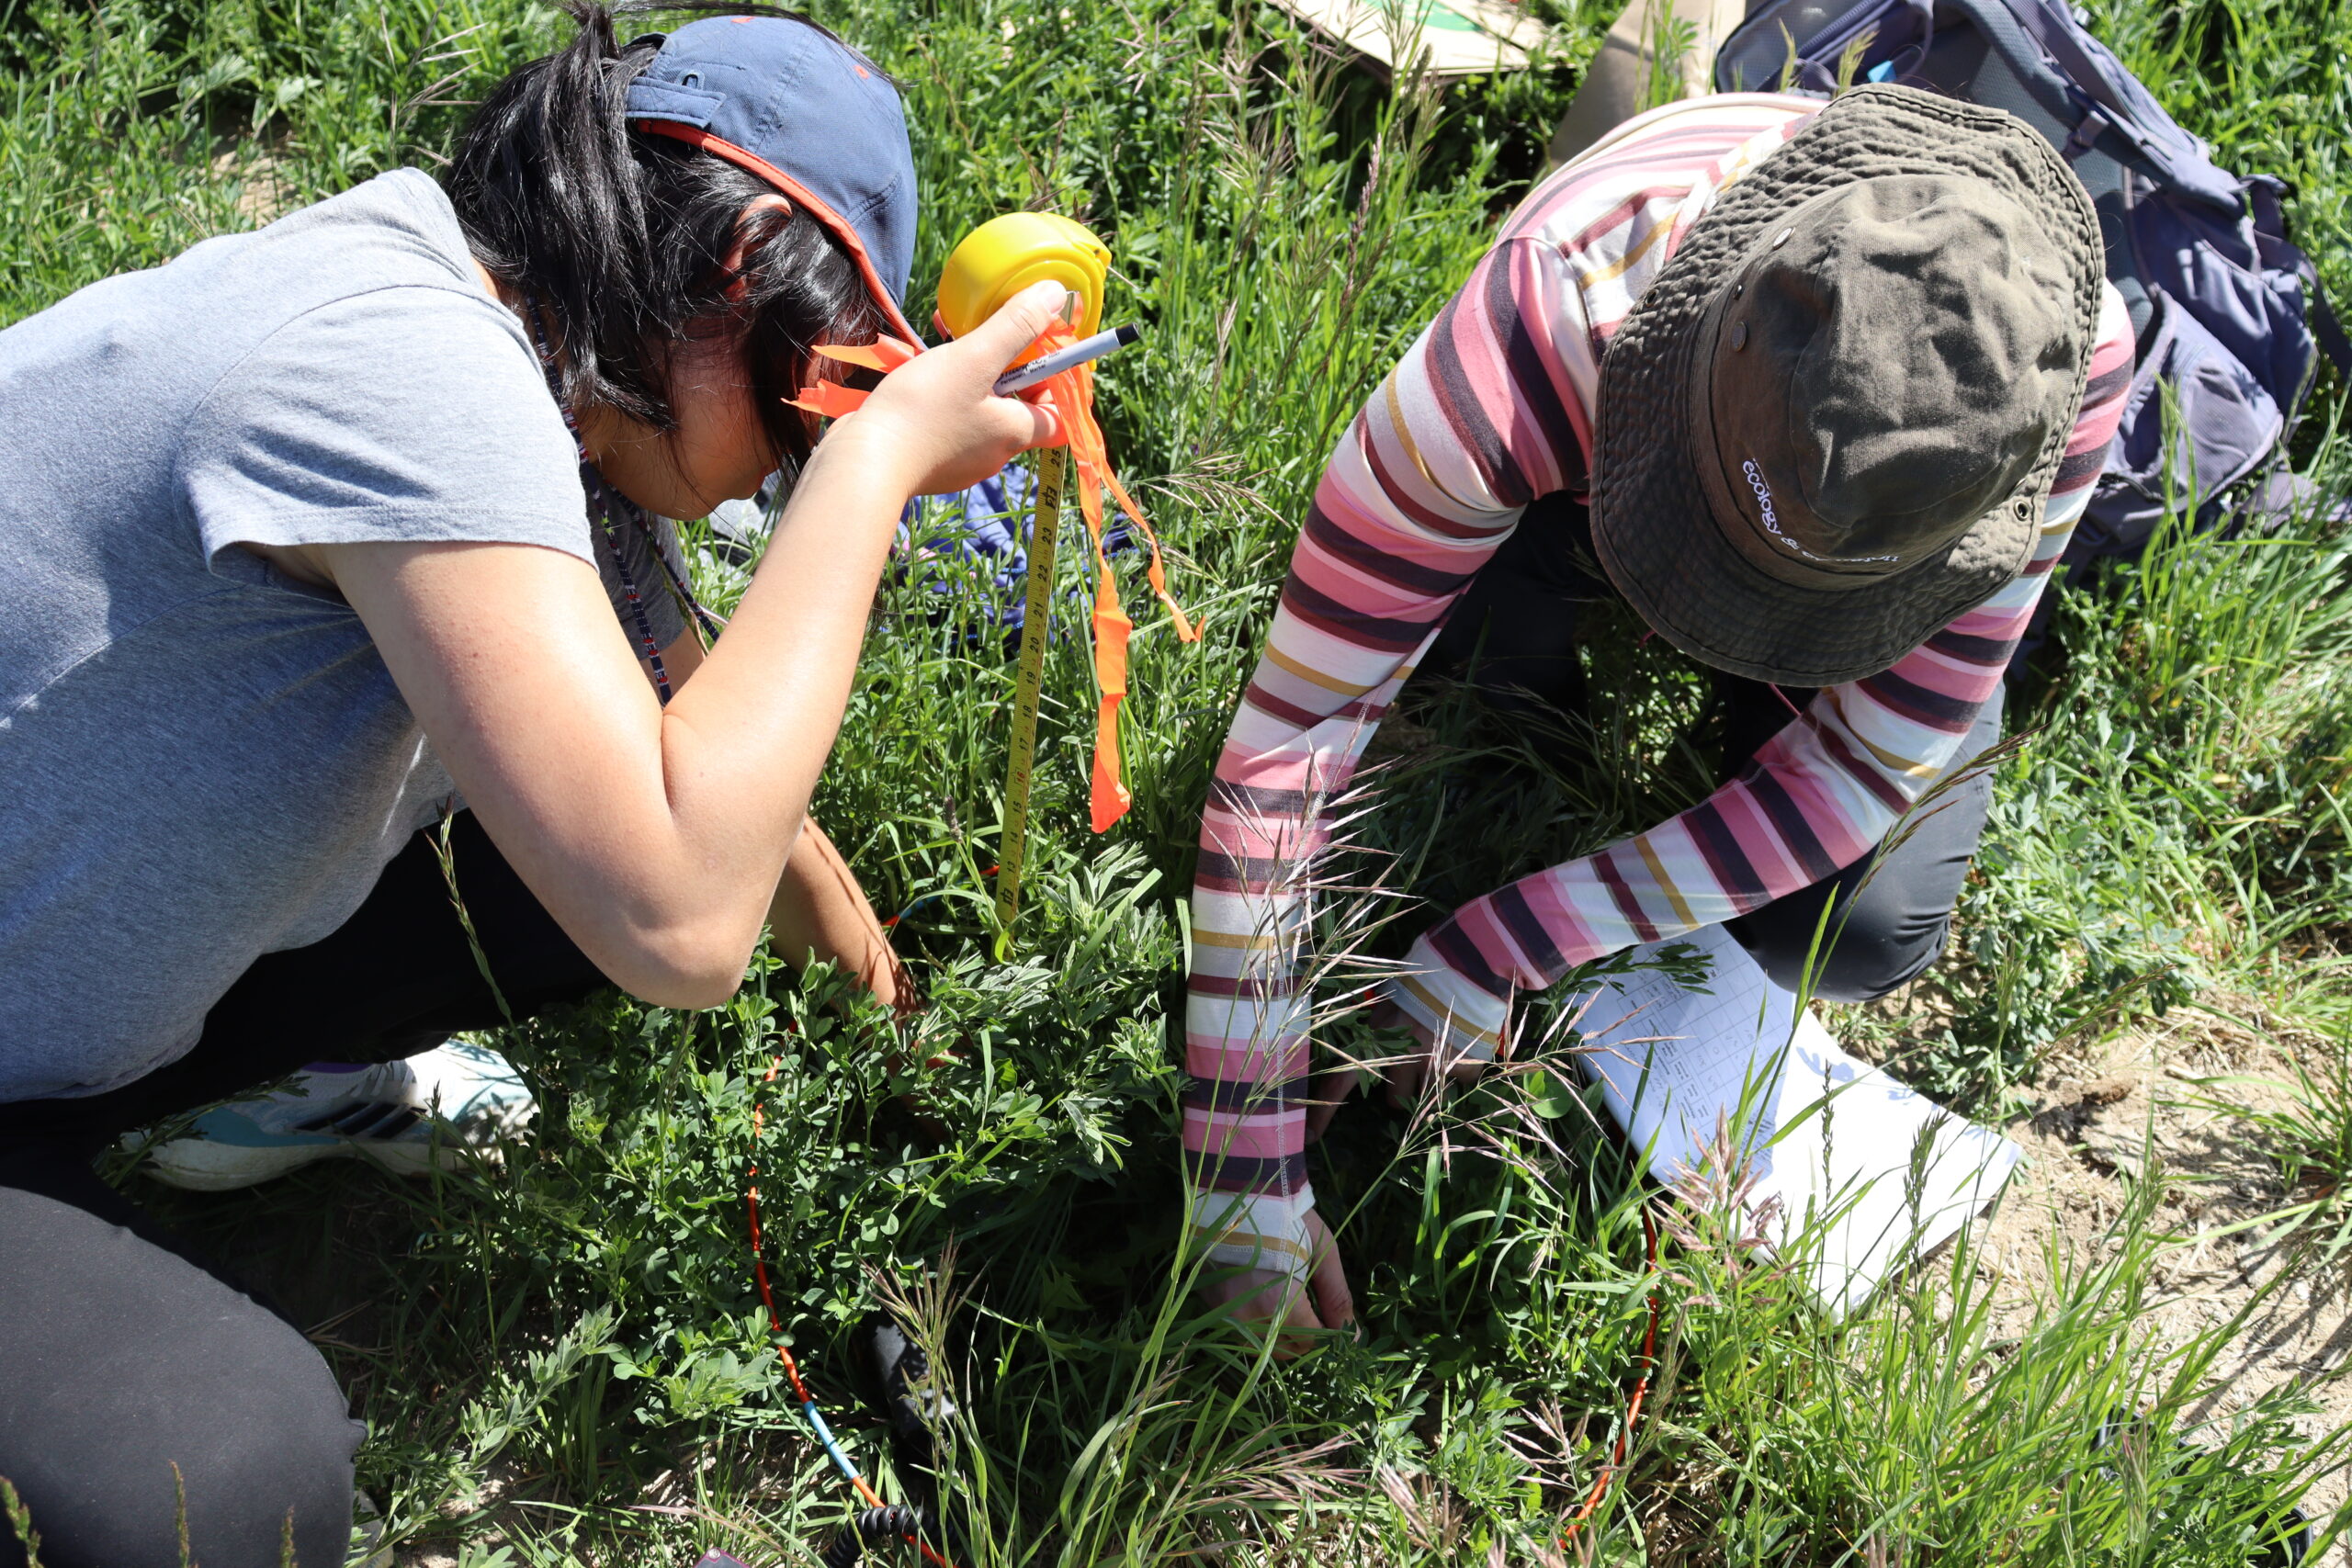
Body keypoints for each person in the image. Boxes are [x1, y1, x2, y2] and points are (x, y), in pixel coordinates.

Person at [0, 6, 1070, 1562]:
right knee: (228, 1476)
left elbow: (722, 768)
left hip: (53, 968)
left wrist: (903, 1025)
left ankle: (257, 1085)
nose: (770, 470)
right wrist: (874, 468)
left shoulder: (474, 318)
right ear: (735, 258)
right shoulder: (408, 372)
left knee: (589, 818)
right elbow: (682, 914)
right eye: (804, 400)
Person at [1181, 83, 2137, 1330]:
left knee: (1856, 927)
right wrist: (1237, 1178)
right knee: (1489, 707)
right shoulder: (1541, 321)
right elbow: (1289, 747)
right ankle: (1579, 584)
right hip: (1577, 462)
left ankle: (1765, 601)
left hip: (1860, 551)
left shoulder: (2057, 372)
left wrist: (1502, 945)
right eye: (1708, 551)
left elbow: (1857, 779)